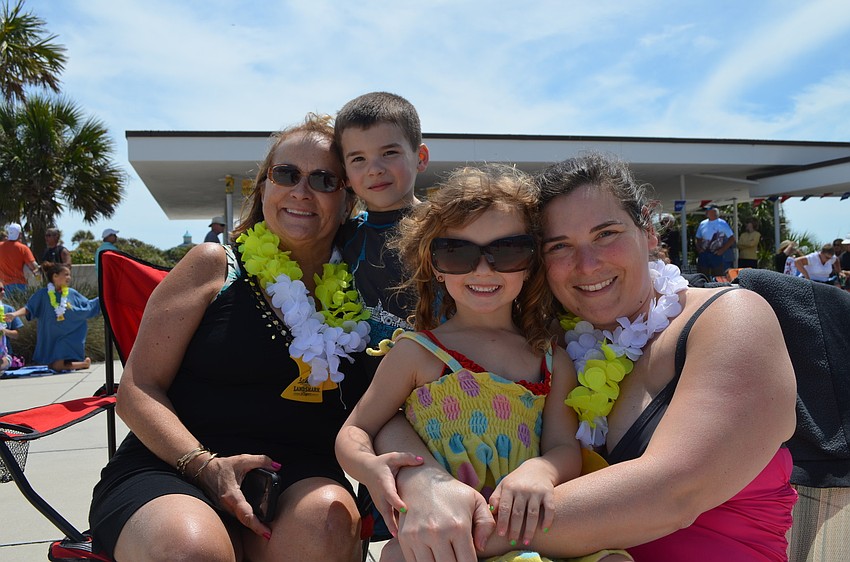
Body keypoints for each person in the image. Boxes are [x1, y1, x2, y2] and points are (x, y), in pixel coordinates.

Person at [376, 153, 797, 561]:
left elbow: (674, 493)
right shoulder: (545, 345)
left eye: (606, 234)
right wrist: (422, 480)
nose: (587, 264)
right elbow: (393, 409)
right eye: (559, 246)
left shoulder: (729, 318)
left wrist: (462, 536)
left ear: (649, 231)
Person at [87, 113, 376, 561]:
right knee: (190, 551)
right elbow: (137, 389)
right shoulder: (213, 266)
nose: (301, 191)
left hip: (296, 476)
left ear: (347, 200)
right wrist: (204, 466)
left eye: (324, 179)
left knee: (329, 524)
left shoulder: (365, 291)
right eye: (286, 174)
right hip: (175, 464)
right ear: (264, 188)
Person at [336, 165, 631, 562]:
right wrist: (371, 469)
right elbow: (355, 430)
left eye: (507, 251)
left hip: (524, 532)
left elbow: (563, 446)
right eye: (457, 253)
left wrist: (541, 471)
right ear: (434, 265)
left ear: (530, 263)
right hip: (445, 536)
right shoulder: (417, 352)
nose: (483, 269)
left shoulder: (551, 359)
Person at [335, 91, 430, 345]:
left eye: (389, 153)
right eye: (358, 159)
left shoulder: (447, 228)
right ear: (345, 173)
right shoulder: (341, 237)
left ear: (420, 158)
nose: (375, 169)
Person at [6, 262, 99, 371]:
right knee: (52, 366)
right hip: (51, 337)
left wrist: (103, 297)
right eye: (66, 274)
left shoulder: (72, 293)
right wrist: (14, 314)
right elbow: (29, 308)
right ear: (55, 276)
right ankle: (83, 364)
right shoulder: (43, 294)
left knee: (57, 366)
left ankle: (83, 364)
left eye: (69, 275)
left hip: (68, 335)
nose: (69, 277)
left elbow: (88, 305)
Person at [694, 204, 736, 278]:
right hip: (704, 254)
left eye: (708, 210)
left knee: (718, 275)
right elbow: (698, 238)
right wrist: (699, 249)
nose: (707, 212)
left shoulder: (722, 223)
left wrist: (722, 250)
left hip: (717, 254)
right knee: (703, 275)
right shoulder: (703, 223)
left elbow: (732, 239)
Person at [0, 223, 38, 294]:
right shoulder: (23, 248)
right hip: (20, 285)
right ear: (20, 234)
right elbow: (33, 266)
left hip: (3, 286)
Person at [0, 281, 24, 372]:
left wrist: (4, 331)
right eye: (0, 289)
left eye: (3, 289)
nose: (3, 292)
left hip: (4, 355)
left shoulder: (8, 310)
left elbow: (17, 335)